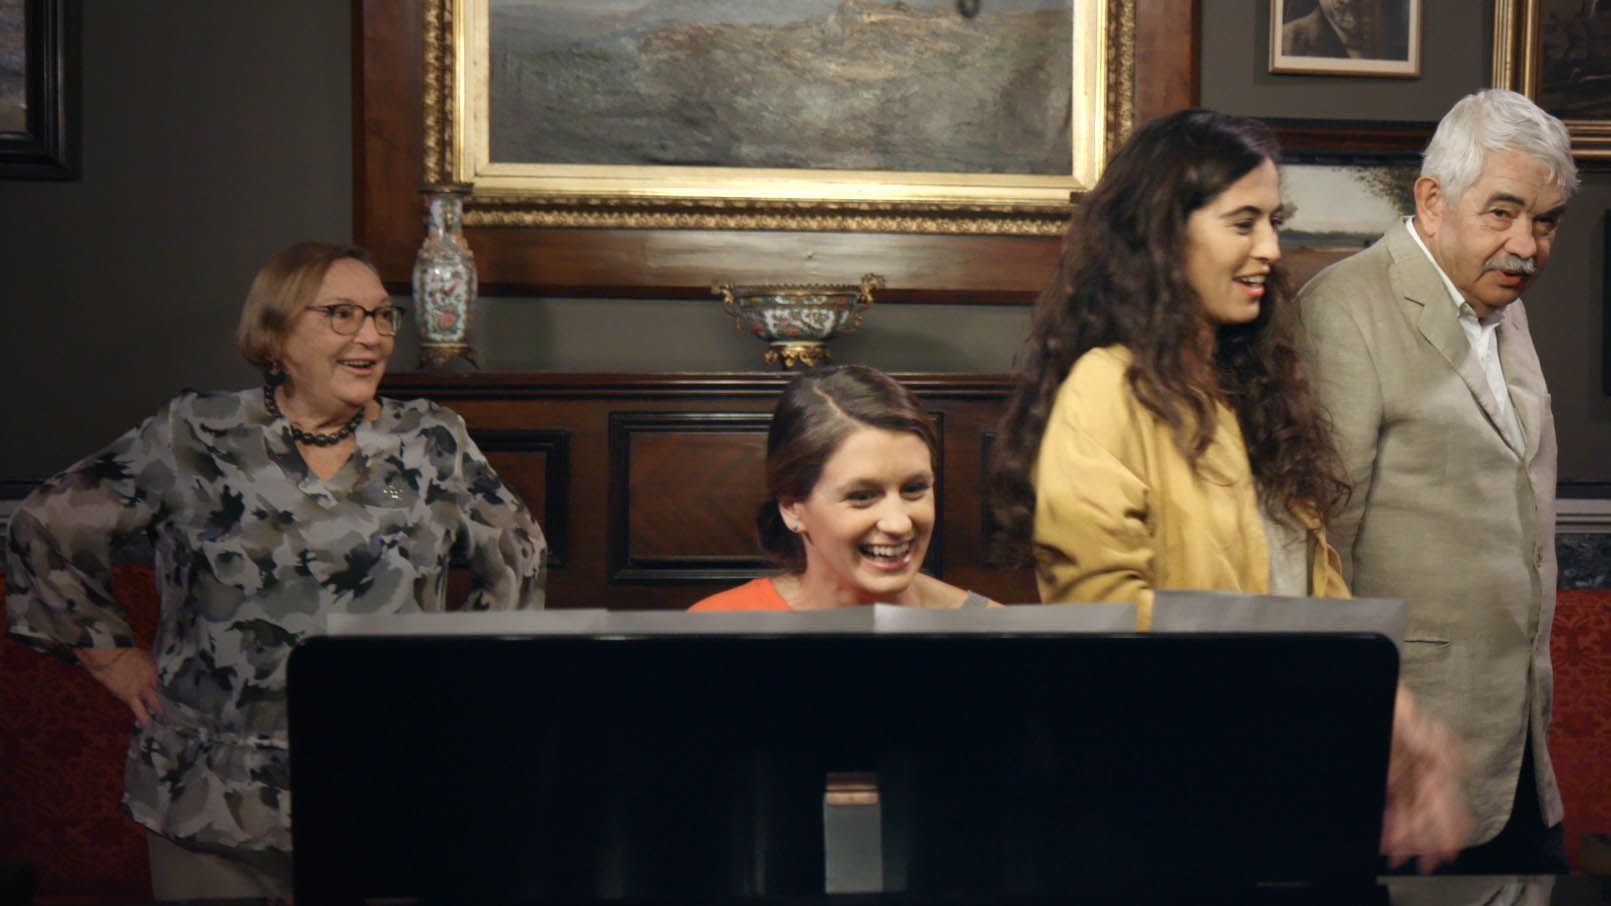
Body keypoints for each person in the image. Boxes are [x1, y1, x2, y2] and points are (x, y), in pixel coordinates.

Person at [987, 108, 1468, 871]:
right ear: (1162, 232)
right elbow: (1103, 617)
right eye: (1242, 222)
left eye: (1273, 221)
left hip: (1287, 785)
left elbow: (1320, 593)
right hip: (1162, 805)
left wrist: (1395, 717)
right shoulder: (1105, 389)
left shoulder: (1253, 390)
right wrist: (1295, 680)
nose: (1269, 250)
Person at [4, 241, 548, 899]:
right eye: (341, 315)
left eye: (381, 316)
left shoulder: (430, 440)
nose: (370, 336)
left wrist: (459, 683)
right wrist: (111, 658)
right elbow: (45, 524)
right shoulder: (196, 434)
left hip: (387, 794)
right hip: (210, 798)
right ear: (275, 334)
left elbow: (517, 554)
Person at [1295, 88, 1577, 874]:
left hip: (1515, 749)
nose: (1525, 245)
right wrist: (1375, 728)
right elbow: (1315, 551)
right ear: (1431, 198)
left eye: (1545, 220)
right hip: (1399, 765)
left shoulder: (1499, 301)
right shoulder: (1344, 309)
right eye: (1502, 212)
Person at [690, 365, 989, 611]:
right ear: (792, 506)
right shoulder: (715, 630)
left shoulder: (992, 634)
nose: (898, 523)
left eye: (914, 489)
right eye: (862, 496)